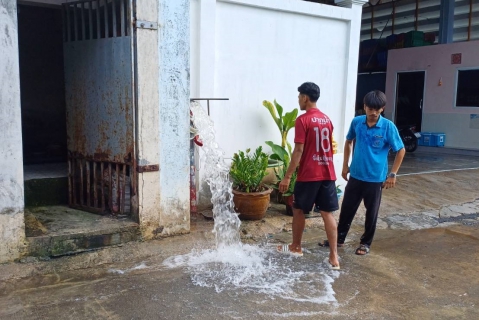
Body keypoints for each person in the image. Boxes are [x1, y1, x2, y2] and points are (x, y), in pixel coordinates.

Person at [277, 82, 340, 270]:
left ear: (305, 97)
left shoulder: (303, 120)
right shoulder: (327, 119)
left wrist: (287, 177)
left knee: (298, 209)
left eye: (299, 97)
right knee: (327, 213)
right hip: (327, 173)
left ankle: (296, 246)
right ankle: (334, 256)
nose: (298, 100)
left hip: (309, 174)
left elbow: (298, 150)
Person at [337, 90, 405, 255]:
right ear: (364, 107)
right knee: (346, 209)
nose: (373, 113)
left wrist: (392, 174)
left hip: (375, 179)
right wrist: (345, 165)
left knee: (371, 213)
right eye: (370, 109)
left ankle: (365, 243)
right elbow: (348, 142)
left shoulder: (388, 127)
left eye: (377, 109)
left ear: (382, 109)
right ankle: (338, 239)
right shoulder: (357, 122)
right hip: (356, 175)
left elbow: (401, 150)